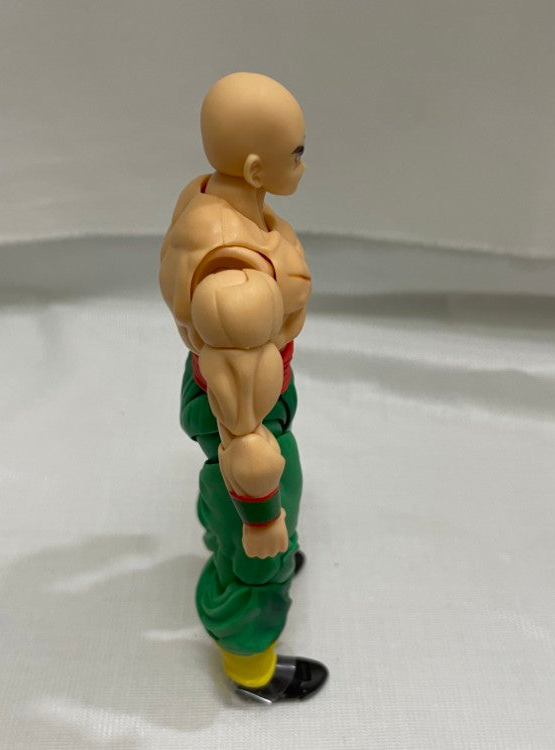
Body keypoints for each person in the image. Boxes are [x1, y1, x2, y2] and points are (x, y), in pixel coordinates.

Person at [159, 72, 328, 703]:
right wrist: (261, 521)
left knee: (279, 483)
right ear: (256, 168)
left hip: (253, 381)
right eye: (296, 154)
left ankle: (254, 533)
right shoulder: (235, 276)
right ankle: (251, 666)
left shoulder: (209, 193)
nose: (303, 165)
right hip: (244, 408)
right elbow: (243, 436)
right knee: (259, 547)